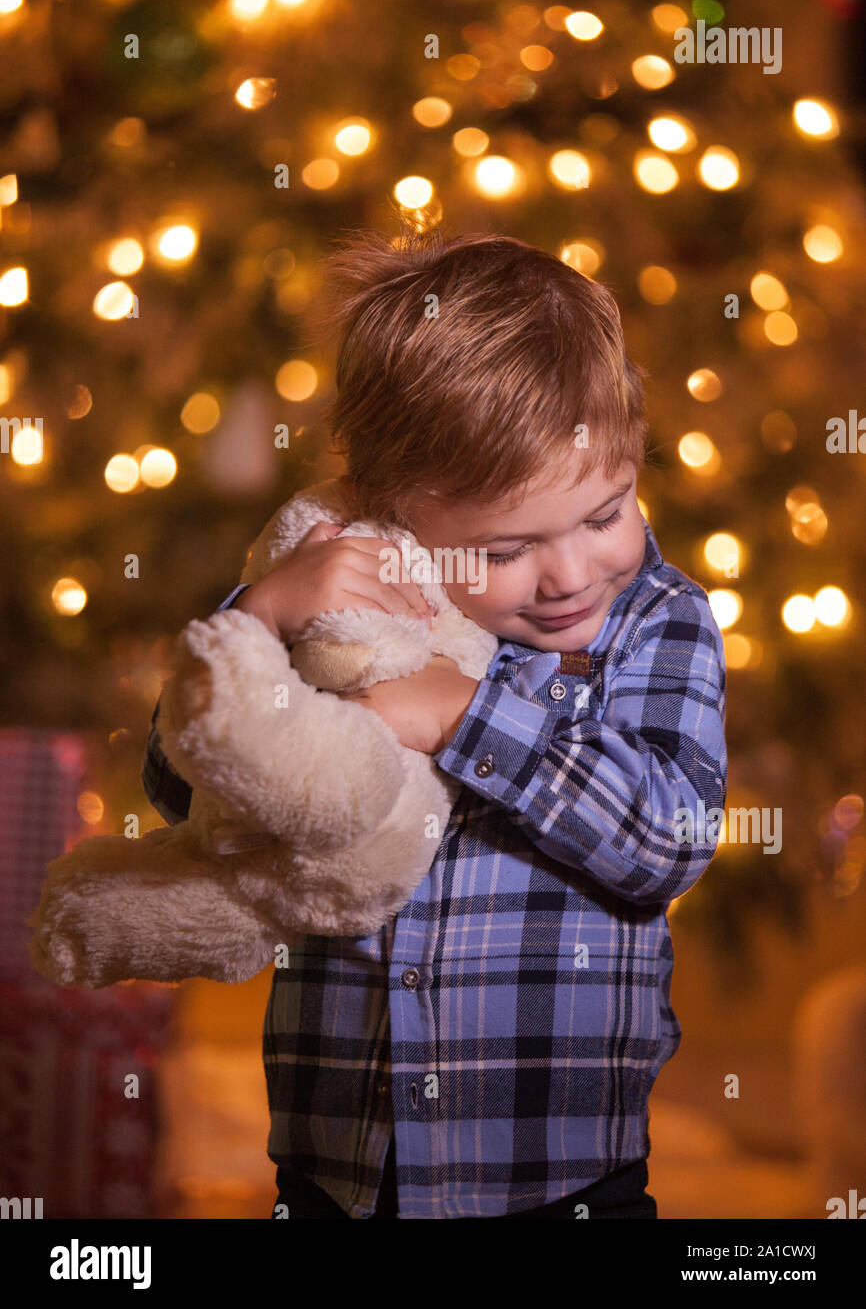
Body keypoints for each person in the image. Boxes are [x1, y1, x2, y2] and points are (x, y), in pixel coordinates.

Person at [142, 230, 727, 1219]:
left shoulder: (656, 619)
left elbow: (665, 839)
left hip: (556, 1177)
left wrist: (464, 712)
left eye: (602, 514)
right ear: (391, 517)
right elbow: (177, 784)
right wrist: (261, 615)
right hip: (339, 1175)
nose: (570, 574)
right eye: (505, 548)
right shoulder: (333, 603)